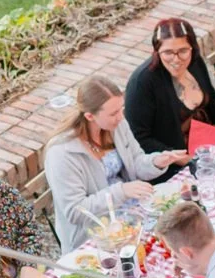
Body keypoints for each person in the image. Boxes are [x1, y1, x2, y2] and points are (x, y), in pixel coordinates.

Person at [43, 80, 185, 256]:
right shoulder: (61, 154)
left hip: (132, 217)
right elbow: (75, 211)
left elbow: (136, 161)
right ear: (90, 116)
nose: (121, 116)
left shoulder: (116, 125)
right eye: (113, 113)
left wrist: (157, 161)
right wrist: (122, 191)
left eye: (121, 108)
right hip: (94, 238)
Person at [122, 16, 215, 163]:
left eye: (183, 50)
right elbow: (139, 137)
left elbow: (212, 100)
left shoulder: (195, 62)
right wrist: (179, 158)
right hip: (174, 161)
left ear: (192, 48)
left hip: (210, 144)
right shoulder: (142, 82)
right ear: (157, 51)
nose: (176, 59)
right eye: (168, 52)